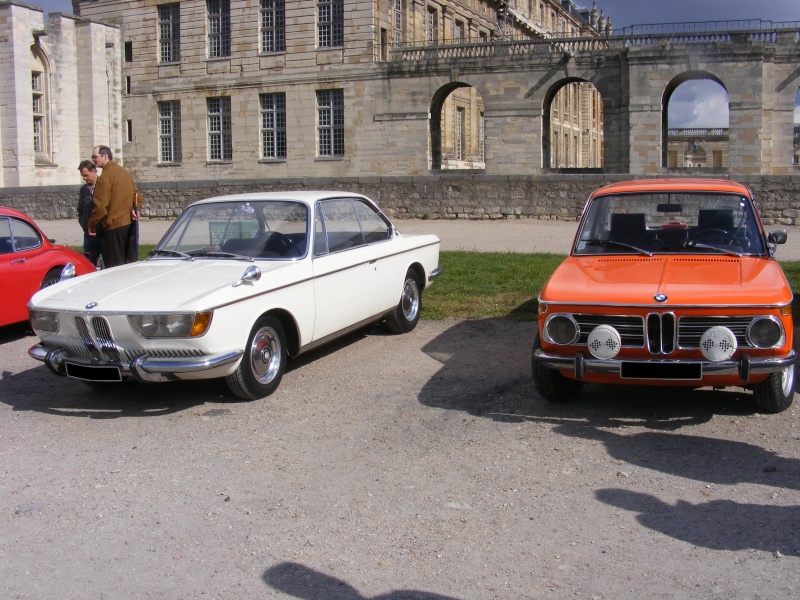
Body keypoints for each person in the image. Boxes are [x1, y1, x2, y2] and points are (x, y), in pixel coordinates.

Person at [88, 145, 141, 267]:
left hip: (114, 227)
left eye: (95, 157)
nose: (93, 160)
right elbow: (137, 194)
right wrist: (136, 209)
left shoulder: (105, 177)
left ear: (105, 156)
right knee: (129, 265)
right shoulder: (124, 173)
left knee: (116, 267)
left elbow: (100, 207)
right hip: (129, 225)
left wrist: (91, 224)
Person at [76, 160, 106, 268]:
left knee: (109, 264)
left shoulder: (103, 186)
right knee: (90, 265)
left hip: (103, 234)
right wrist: (84, 224)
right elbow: (80, 210)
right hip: (88, 236)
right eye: (82, 176)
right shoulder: (84, 190)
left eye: (86, 175)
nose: (84, 178)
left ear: (94, 171)